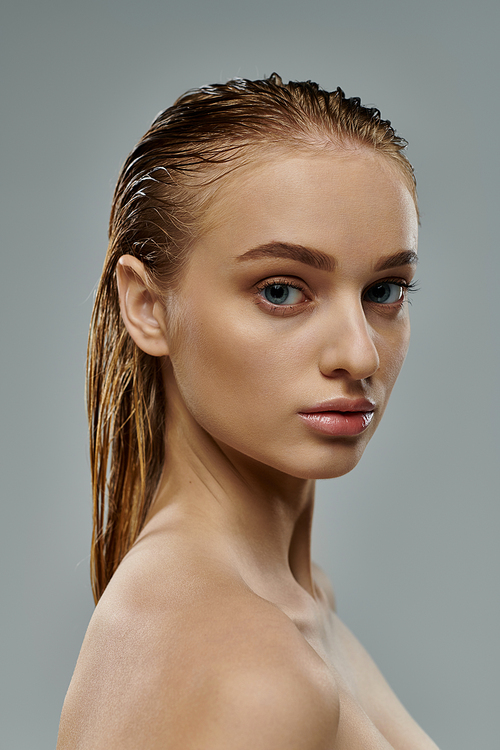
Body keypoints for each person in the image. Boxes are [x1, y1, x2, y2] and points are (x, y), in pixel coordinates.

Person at [57, 74, 438, 749]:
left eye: (385, 289)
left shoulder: (290, 601)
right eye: (282, 291)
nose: (359, 353)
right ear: (147, 307)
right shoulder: (248, 665)